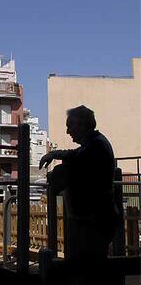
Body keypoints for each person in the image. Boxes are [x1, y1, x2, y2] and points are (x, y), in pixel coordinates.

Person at [39, 105, 119, 284]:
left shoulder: (94, 147)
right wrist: (56, 154)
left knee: (86, 272)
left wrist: (56, 170)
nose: (67, 131)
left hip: (93, 222)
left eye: (70, 126)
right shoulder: (95, 143)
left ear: (82, 125)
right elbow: (75, 154)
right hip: (96, 220)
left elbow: (70, 167)